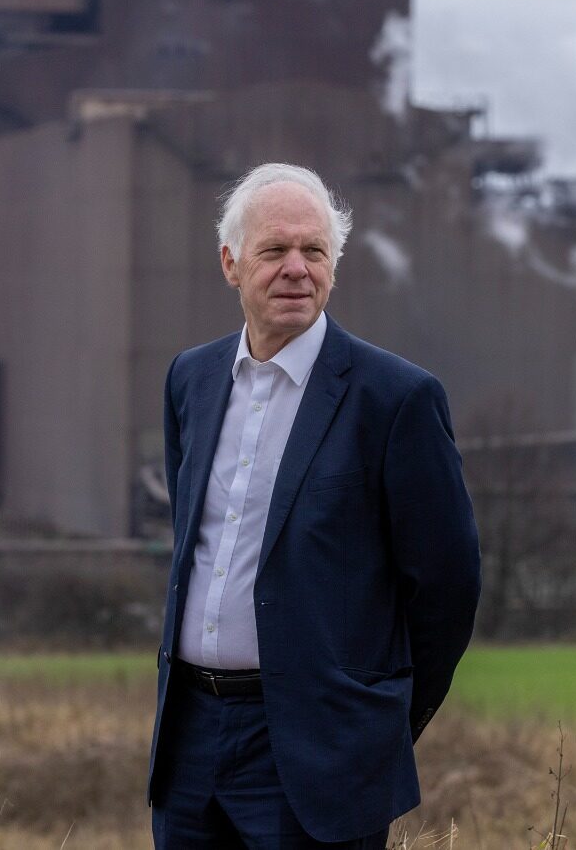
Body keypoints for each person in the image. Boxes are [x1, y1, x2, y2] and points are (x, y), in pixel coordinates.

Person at [149, 162, 483, 849]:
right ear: (231, 263)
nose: (297, 268)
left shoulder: (394, 399)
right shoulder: (192, 378)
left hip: (319, 754)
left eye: (315, 251)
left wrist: (375, 724)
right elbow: (193, 546)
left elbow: (448, 586)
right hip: (190, 743)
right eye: (275, 251)